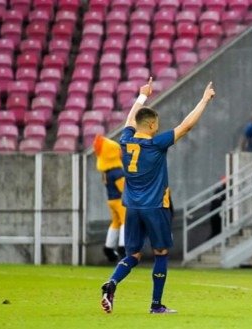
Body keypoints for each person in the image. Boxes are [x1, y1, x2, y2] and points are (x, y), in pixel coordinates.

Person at [100, 78, 215, 314]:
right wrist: (204, 100)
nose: (158, 128)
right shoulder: (156, 144)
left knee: (132, 254)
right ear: (151, 125)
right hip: (155, 207)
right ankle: (156, 304)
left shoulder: (125, 140)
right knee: (161, 253)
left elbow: (130, 120)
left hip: (131, 207)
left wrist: (142, 96)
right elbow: (186, 126)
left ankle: (112, 283)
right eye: (157, 124)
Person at [93, 134, 127, 262]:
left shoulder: (106, 172)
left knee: (115, 222)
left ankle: (108, 247)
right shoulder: (118, 172)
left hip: (111, 200)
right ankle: (123, 247)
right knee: (125, 222)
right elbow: (123, 188)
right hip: (120, 200)